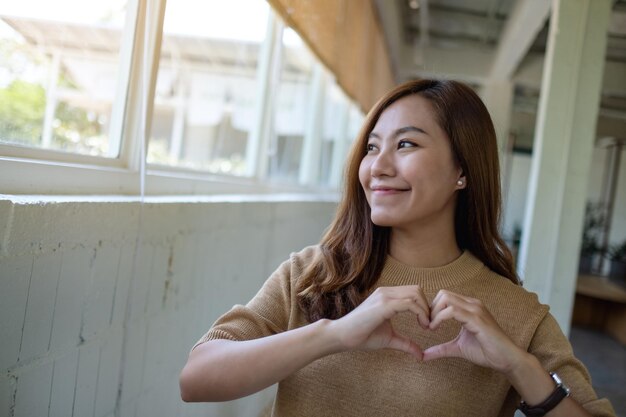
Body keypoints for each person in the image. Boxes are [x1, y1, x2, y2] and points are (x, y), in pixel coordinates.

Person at [179, 79, 616, 417]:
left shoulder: (514, 314)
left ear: (462, 170)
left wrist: (520, 367)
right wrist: (333, 334)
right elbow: (196, 379)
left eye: (405, 143)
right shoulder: (313, 273)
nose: (377, 167)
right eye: (372, 147)